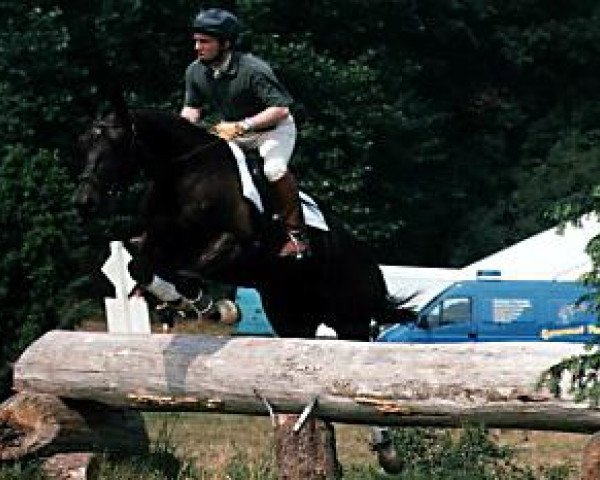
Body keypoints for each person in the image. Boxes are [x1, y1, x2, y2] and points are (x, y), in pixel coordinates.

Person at [181, 8, 310, 259]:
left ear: (226, 43)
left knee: (274, 170)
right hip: (233, 131)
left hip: (273, 130)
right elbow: (192, 108)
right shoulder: (195, 71)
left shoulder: (253, 69)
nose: (198, 47)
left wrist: (243, 126)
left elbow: (280, 109)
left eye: (205, 42)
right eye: (196, 41)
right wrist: (183, 129)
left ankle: (297, 235)